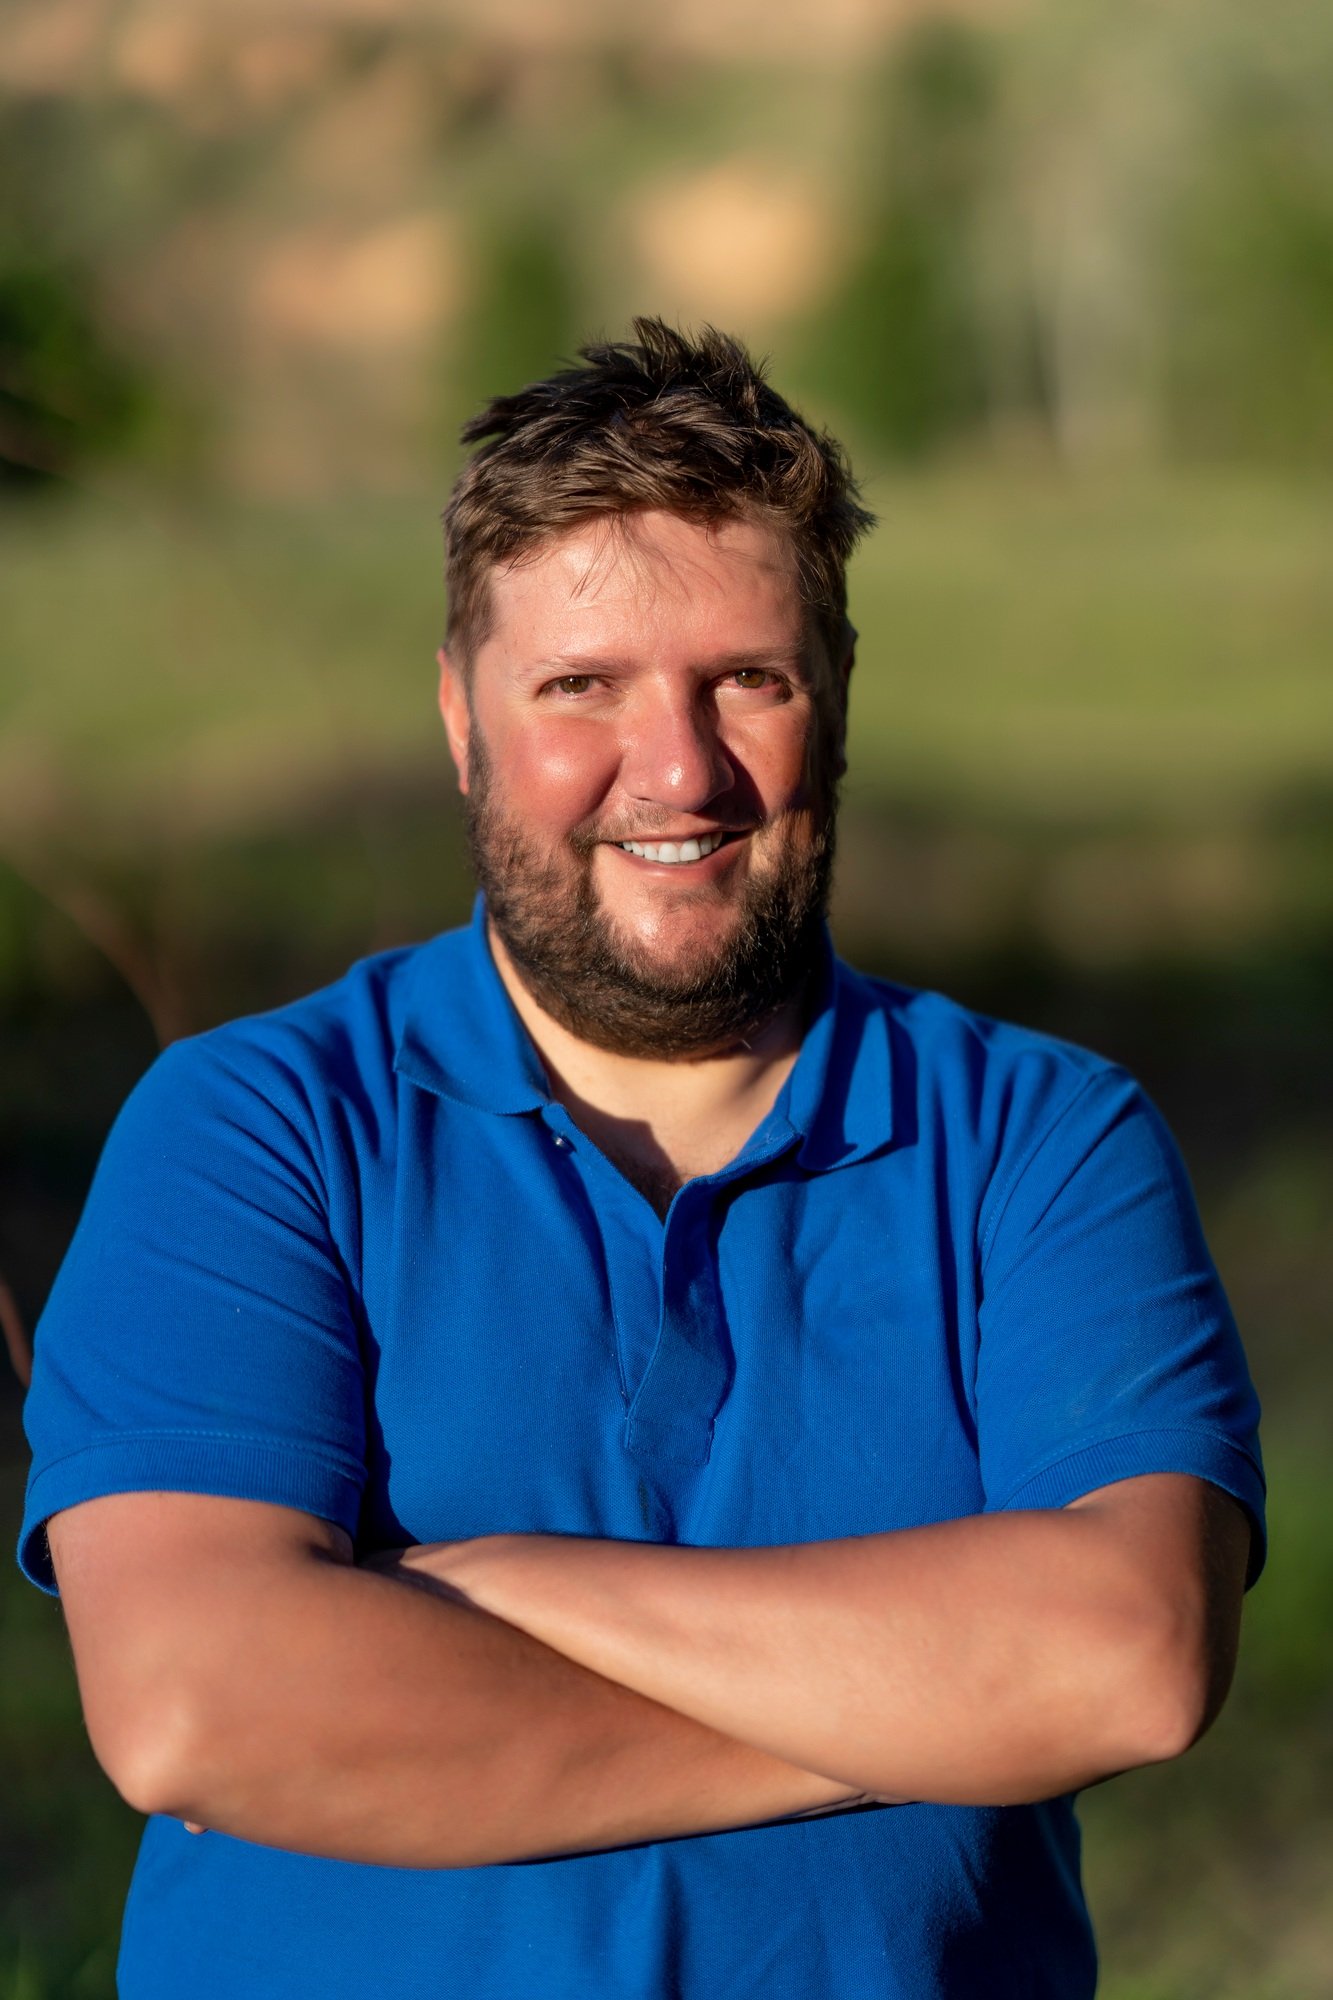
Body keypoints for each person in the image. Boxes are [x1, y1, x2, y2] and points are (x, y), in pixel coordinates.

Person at [19, 319, 1264, 1999]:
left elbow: (1127, 1660)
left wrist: (497, 1588)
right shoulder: (255, 1127)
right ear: (463, 721)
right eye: (580, 688)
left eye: (744, 678)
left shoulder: (1039, 1140)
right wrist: (931, 1715)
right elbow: (194, 1707)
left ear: (833, 706)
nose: (675, 771)